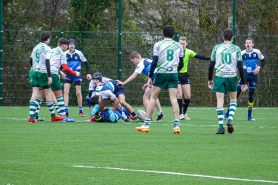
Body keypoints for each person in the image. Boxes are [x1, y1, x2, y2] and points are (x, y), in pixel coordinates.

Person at [135, 25, 184, 134]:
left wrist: (151, 76)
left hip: (161, 73)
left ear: (162, 34)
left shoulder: (158, 44)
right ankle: (176, 126)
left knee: (153, 98)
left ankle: (146, 125)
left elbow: (154, 62)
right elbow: (181, 63)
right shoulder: (178, 46)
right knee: (174, 99)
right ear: (173, 35)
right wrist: (175, 70)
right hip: (173, 74)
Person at [208, 28, 248, 134]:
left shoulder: (217, 47)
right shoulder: (236, 49)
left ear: (222, 37)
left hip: (220, 76)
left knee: (220, 101)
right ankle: (230, 120)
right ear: (232, 38)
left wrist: (209, 79)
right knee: (233, 100)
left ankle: (221, 127)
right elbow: (240, 66)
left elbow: (211, 65)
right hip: (231, 76)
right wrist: (244, 82)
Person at [224, 38, 266, 121]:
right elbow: (237, 64)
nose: (248, 44)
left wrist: (259, 67)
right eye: (246, 42)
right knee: (236, 95)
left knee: (251, 96)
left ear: (252, 44)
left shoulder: (257, 52)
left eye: (249, 42)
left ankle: (249, 116)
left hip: (253, 77)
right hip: (244, 77)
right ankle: (227, 114)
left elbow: (264, 61)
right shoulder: (242, 53)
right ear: (245, 44)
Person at [28, 31, 66, 123]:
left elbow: (30, 60)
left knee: (35, 93)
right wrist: (49, 76)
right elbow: (47, 62)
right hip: (42, 72)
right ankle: (53, 116)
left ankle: (31, 117)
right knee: (48, 93)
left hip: (33, 71)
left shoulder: (36, 47)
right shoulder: (47, 48)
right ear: (48, 38)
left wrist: (33, 68)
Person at [116, 51, 165, 121]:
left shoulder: (141, 63)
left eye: (133, 61)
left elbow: (133, 76)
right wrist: (148, 82)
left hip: (156, 77)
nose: (134, 63)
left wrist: (123, 83)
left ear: (135, 59)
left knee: (145, 97)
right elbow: (151, 71)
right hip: (159, 76)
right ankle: (160, 113)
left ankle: (148, 117)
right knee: (153, 95)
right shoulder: (146, 60)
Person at [178, 37, 211, 120]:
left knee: (188, 96)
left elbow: (199, 56)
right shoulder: (175, 51)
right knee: (179, 95)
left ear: (186, 44)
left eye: (183, 44)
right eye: (180, 43)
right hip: (176, 74)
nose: (182, 45)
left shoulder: (189, 52)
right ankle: (180, 113)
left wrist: (211, 58)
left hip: (185, 75)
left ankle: (184, 113)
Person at [49, 38, 81, 122]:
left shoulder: (51, 51)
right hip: (53, 74)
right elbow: (66, 68)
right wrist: (75, 73)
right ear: (64, 45)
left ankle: (33, 116)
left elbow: (50, 62)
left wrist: (60, 72)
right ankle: (63, 117)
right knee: (59, 94)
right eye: (66, 46)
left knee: (43, 94)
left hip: (44, 73)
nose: (66, 48)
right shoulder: (62, 53)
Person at [64, 39, 92, 117]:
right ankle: (66, 111)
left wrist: (88, 73)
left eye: (73, 44)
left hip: (77, 75)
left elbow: (86, 63)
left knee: (78, 92)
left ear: (75, 45)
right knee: (66, 91)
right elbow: (61, 65)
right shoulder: (64, 54)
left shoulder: (79, 53)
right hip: (68, 75)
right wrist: (61, 72)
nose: (72, 45)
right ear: (68, 45)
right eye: (70, 44)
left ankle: (80, 111)